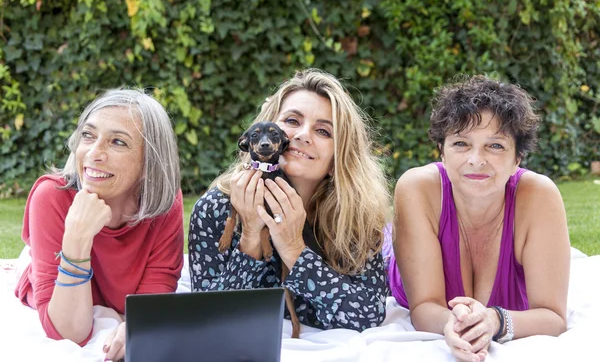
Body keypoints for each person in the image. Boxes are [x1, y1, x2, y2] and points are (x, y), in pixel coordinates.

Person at [188, 69, 391, 332]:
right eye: (292, 121)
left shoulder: (353, 217)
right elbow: (208, 319)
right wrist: (250, 236)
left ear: (338, 158)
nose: (303, 135)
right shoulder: (216, 208)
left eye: (323, 131)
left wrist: (295, 249)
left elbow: (368, 315)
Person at [386, 76, 570, 362]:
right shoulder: (417, 188)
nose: (476, 159)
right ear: (442, 153)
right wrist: (452, 324)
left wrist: (495, 321)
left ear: (517, 158)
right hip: (403, 250)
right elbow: (423, 307)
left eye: (495, 146)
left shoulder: (538, 196)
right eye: (461, 143)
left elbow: (554, 318)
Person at [14, 89, 184, 361]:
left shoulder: (163, 203)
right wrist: (77, 239)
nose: (94, 153)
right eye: (88, 135)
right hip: (58, 275)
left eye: (117, 142)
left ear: (149, 162)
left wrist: (138, 325)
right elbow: (70, 331)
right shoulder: (52, 198)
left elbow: (154, 296)